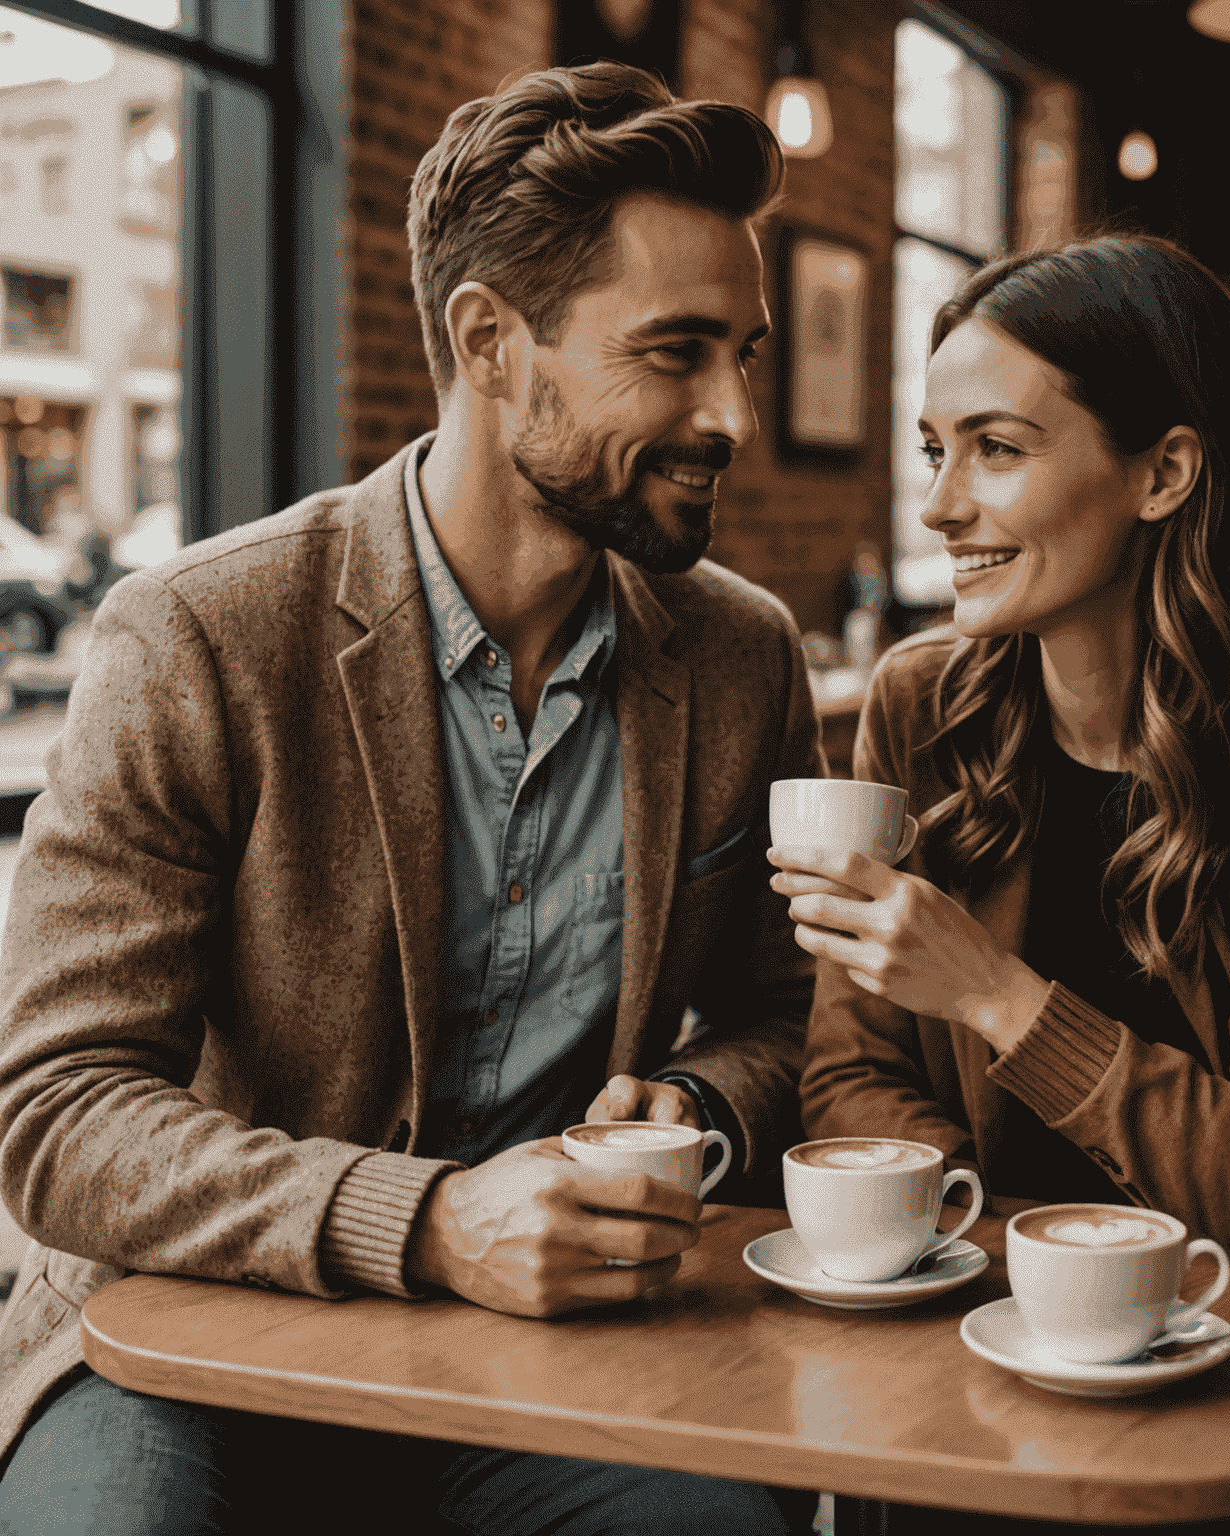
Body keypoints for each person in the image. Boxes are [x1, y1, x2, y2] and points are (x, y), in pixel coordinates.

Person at [0, 63, 821, 1535]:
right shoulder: (198, 634)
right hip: (186, 1339)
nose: (733, 415)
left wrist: (693, 1108)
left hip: (556, 1359)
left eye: (746, 355)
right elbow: (58, 1114)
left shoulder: (741, 654)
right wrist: (435, 1223)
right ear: (490, 343)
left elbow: (797, 1017)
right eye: (678, 353)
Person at [771, 233, 1230, 1534]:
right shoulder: (920, 707)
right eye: (932, 449)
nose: (940, 504)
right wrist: (1024, 1265)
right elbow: (853, 1078)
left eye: (996, 450)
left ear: (1163, 472)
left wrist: (999, 996)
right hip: (1002, 1355)